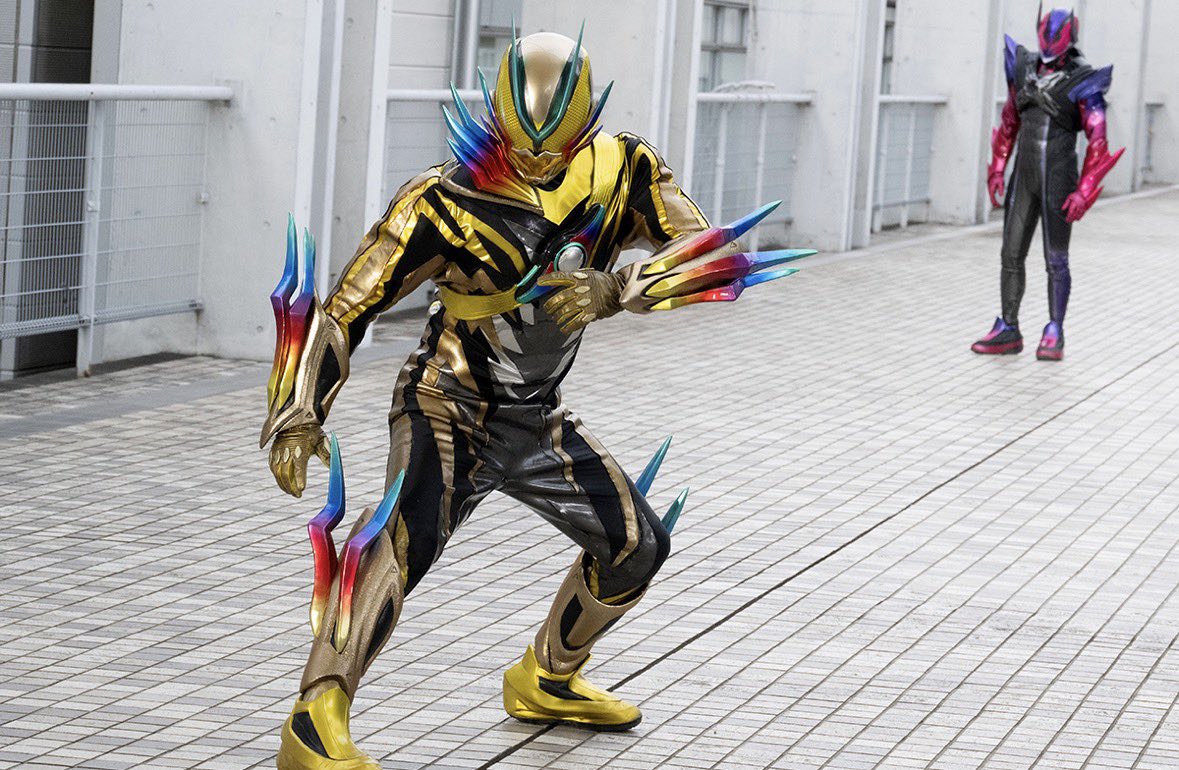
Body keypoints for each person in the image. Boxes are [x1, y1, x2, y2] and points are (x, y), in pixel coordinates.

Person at [262, 28, 811, 770]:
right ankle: (315, 716)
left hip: (537, 420)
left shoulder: (624, 171)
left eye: (554, 151)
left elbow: (715, 254)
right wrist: (299, 408)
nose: (538, 164)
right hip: (446, 407)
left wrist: (618, 288)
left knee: (636, 548)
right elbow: (346, 307)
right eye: (522, 150)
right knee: (396, 542)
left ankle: (546, 678)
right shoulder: (443, 201)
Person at [972, 6, 1122, 361]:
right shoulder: (1024, 67)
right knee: (1010, 253)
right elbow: (1010, 120)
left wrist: (1084, 190)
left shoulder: (1084, 80)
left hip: (1059, 177)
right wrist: (997, 168)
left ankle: (1055, 329)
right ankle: (1009, 327)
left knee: (1056, 259)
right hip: (1023, 177)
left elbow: (1098, 141)